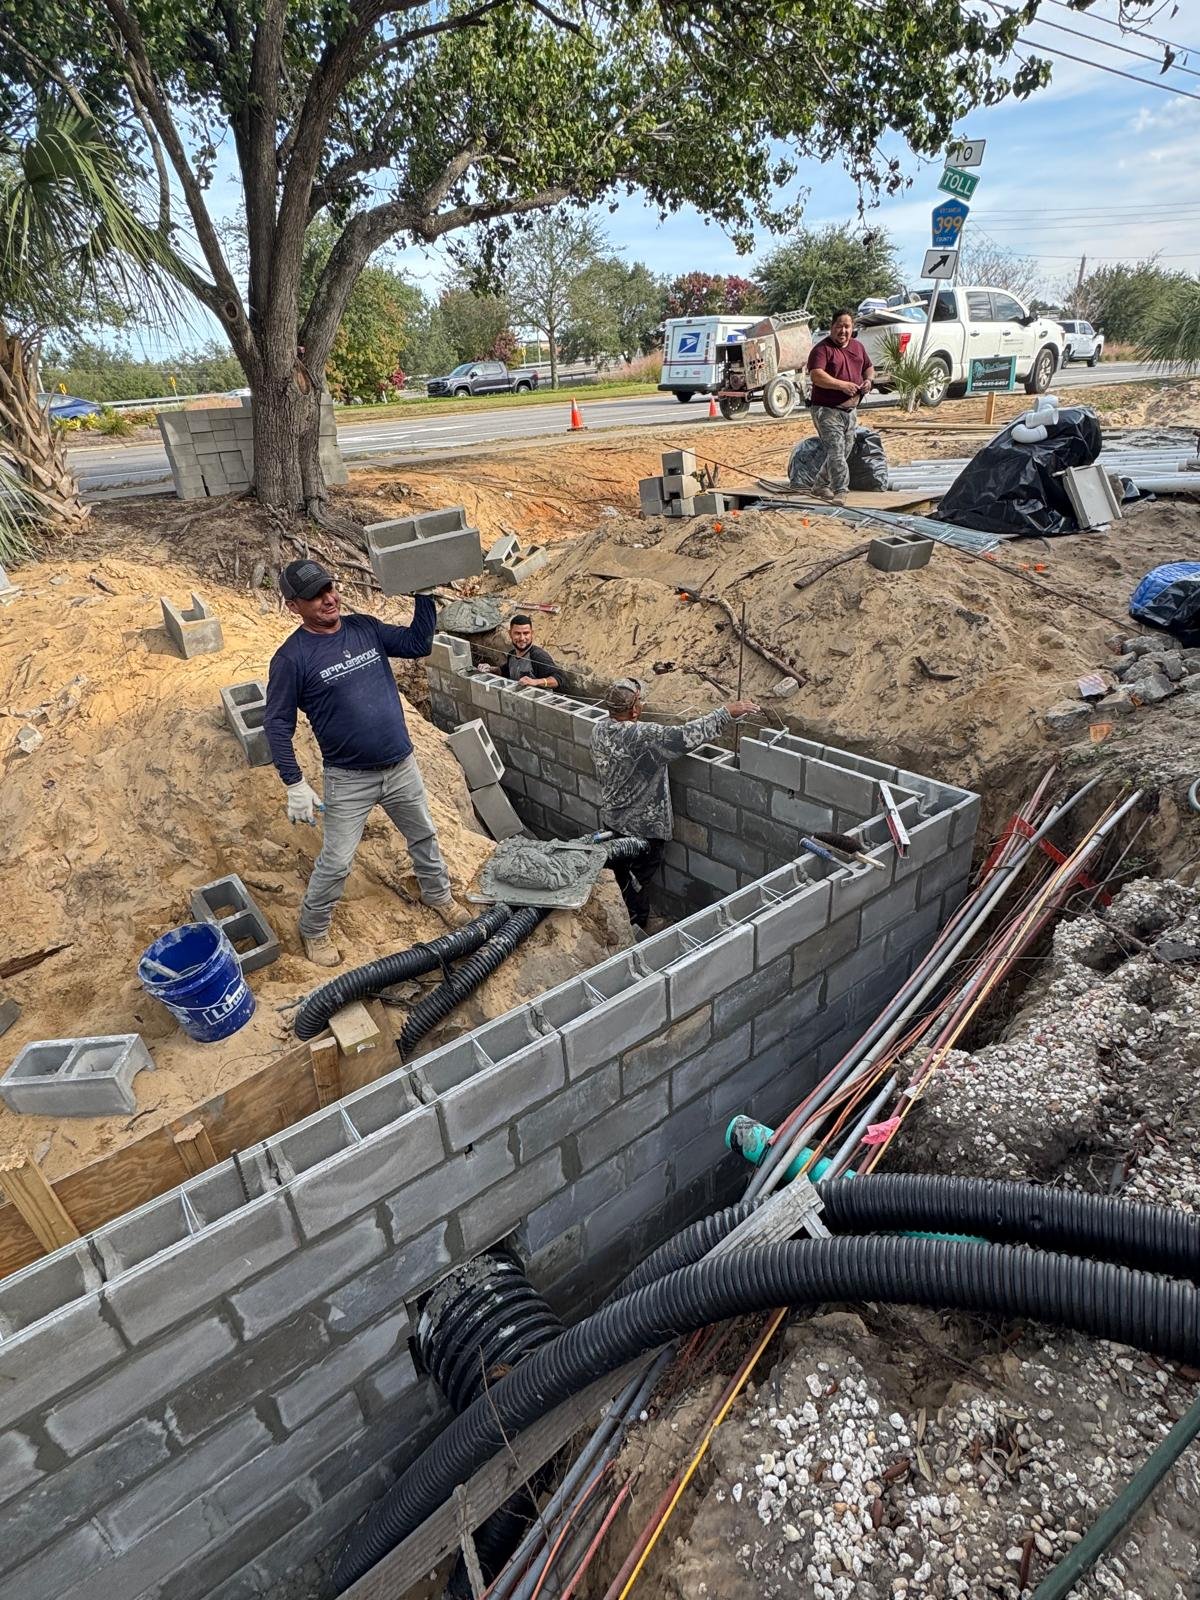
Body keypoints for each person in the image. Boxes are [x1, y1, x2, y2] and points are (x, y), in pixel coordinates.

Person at [264, 558, 468, 967]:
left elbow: (417, 644)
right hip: (348, 779)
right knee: (337, 861)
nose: (328, 599)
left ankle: (438, 896)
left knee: (424, 836)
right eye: (315, 596)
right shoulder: (292, 658)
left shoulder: (364, 628)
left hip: (400, 766)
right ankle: (314, 929)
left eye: (329, 589)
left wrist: (424, 595)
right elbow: (276, 723)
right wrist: (294, 782)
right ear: (293, 606)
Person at [591, 678, 759, 928]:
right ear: (634, 710)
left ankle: (628, 918)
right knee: (637, 883)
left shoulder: (599, 730)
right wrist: (725, 713)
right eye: (640, 701)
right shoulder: (643, 736)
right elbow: (684, 736)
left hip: (612, 821)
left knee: (623, 877)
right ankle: (636, 926)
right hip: (642, 831)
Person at [805, 308, 875, 504]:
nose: (843, 331)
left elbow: (868, 367)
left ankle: (820, 484)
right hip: (826, 409)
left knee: (844, 451)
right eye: (839, 326)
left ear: (852, 328)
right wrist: (841, 385)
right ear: (831, 327)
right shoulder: (822, 349)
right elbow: (816, 375)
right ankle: (840, 491)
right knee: (836, 450)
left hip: (850, 410)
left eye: (847, 326)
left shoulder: (858, 347)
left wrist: (868, 381)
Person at [503, 613, 562, 689]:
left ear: (532, 633)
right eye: (517, 633)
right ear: (510, 634)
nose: (522, 638)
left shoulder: (538, 656)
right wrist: (493, 669)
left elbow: (558, 679)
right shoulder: (511, 655)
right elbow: (506, 670)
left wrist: (535, 682)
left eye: (526, 633)